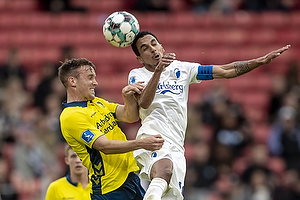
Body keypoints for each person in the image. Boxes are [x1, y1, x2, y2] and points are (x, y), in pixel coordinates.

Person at [128, 30, 291, 200]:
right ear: (140, 58)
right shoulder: (136, 75)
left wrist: (258, 61)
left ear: (161, 46)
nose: (152, 49)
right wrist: (158, 72)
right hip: (153, 136)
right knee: (165, 170)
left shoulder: (183, 69)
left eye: (154, 43)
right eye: (145, 48)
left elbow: (225, 70)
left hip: (177, 143)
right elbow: (144, 103)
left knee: (170, 195)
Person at [58, 58, 165, 200]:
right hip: (109, 189)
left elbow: (130, 116)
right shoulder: (71, 116)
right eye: (90, 78)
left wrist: (127, 97)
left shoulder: (97, 102)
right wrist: (142, 143)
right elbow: (105, 146)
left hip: (129, 178)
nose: (95, 83)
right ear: (72, 81)